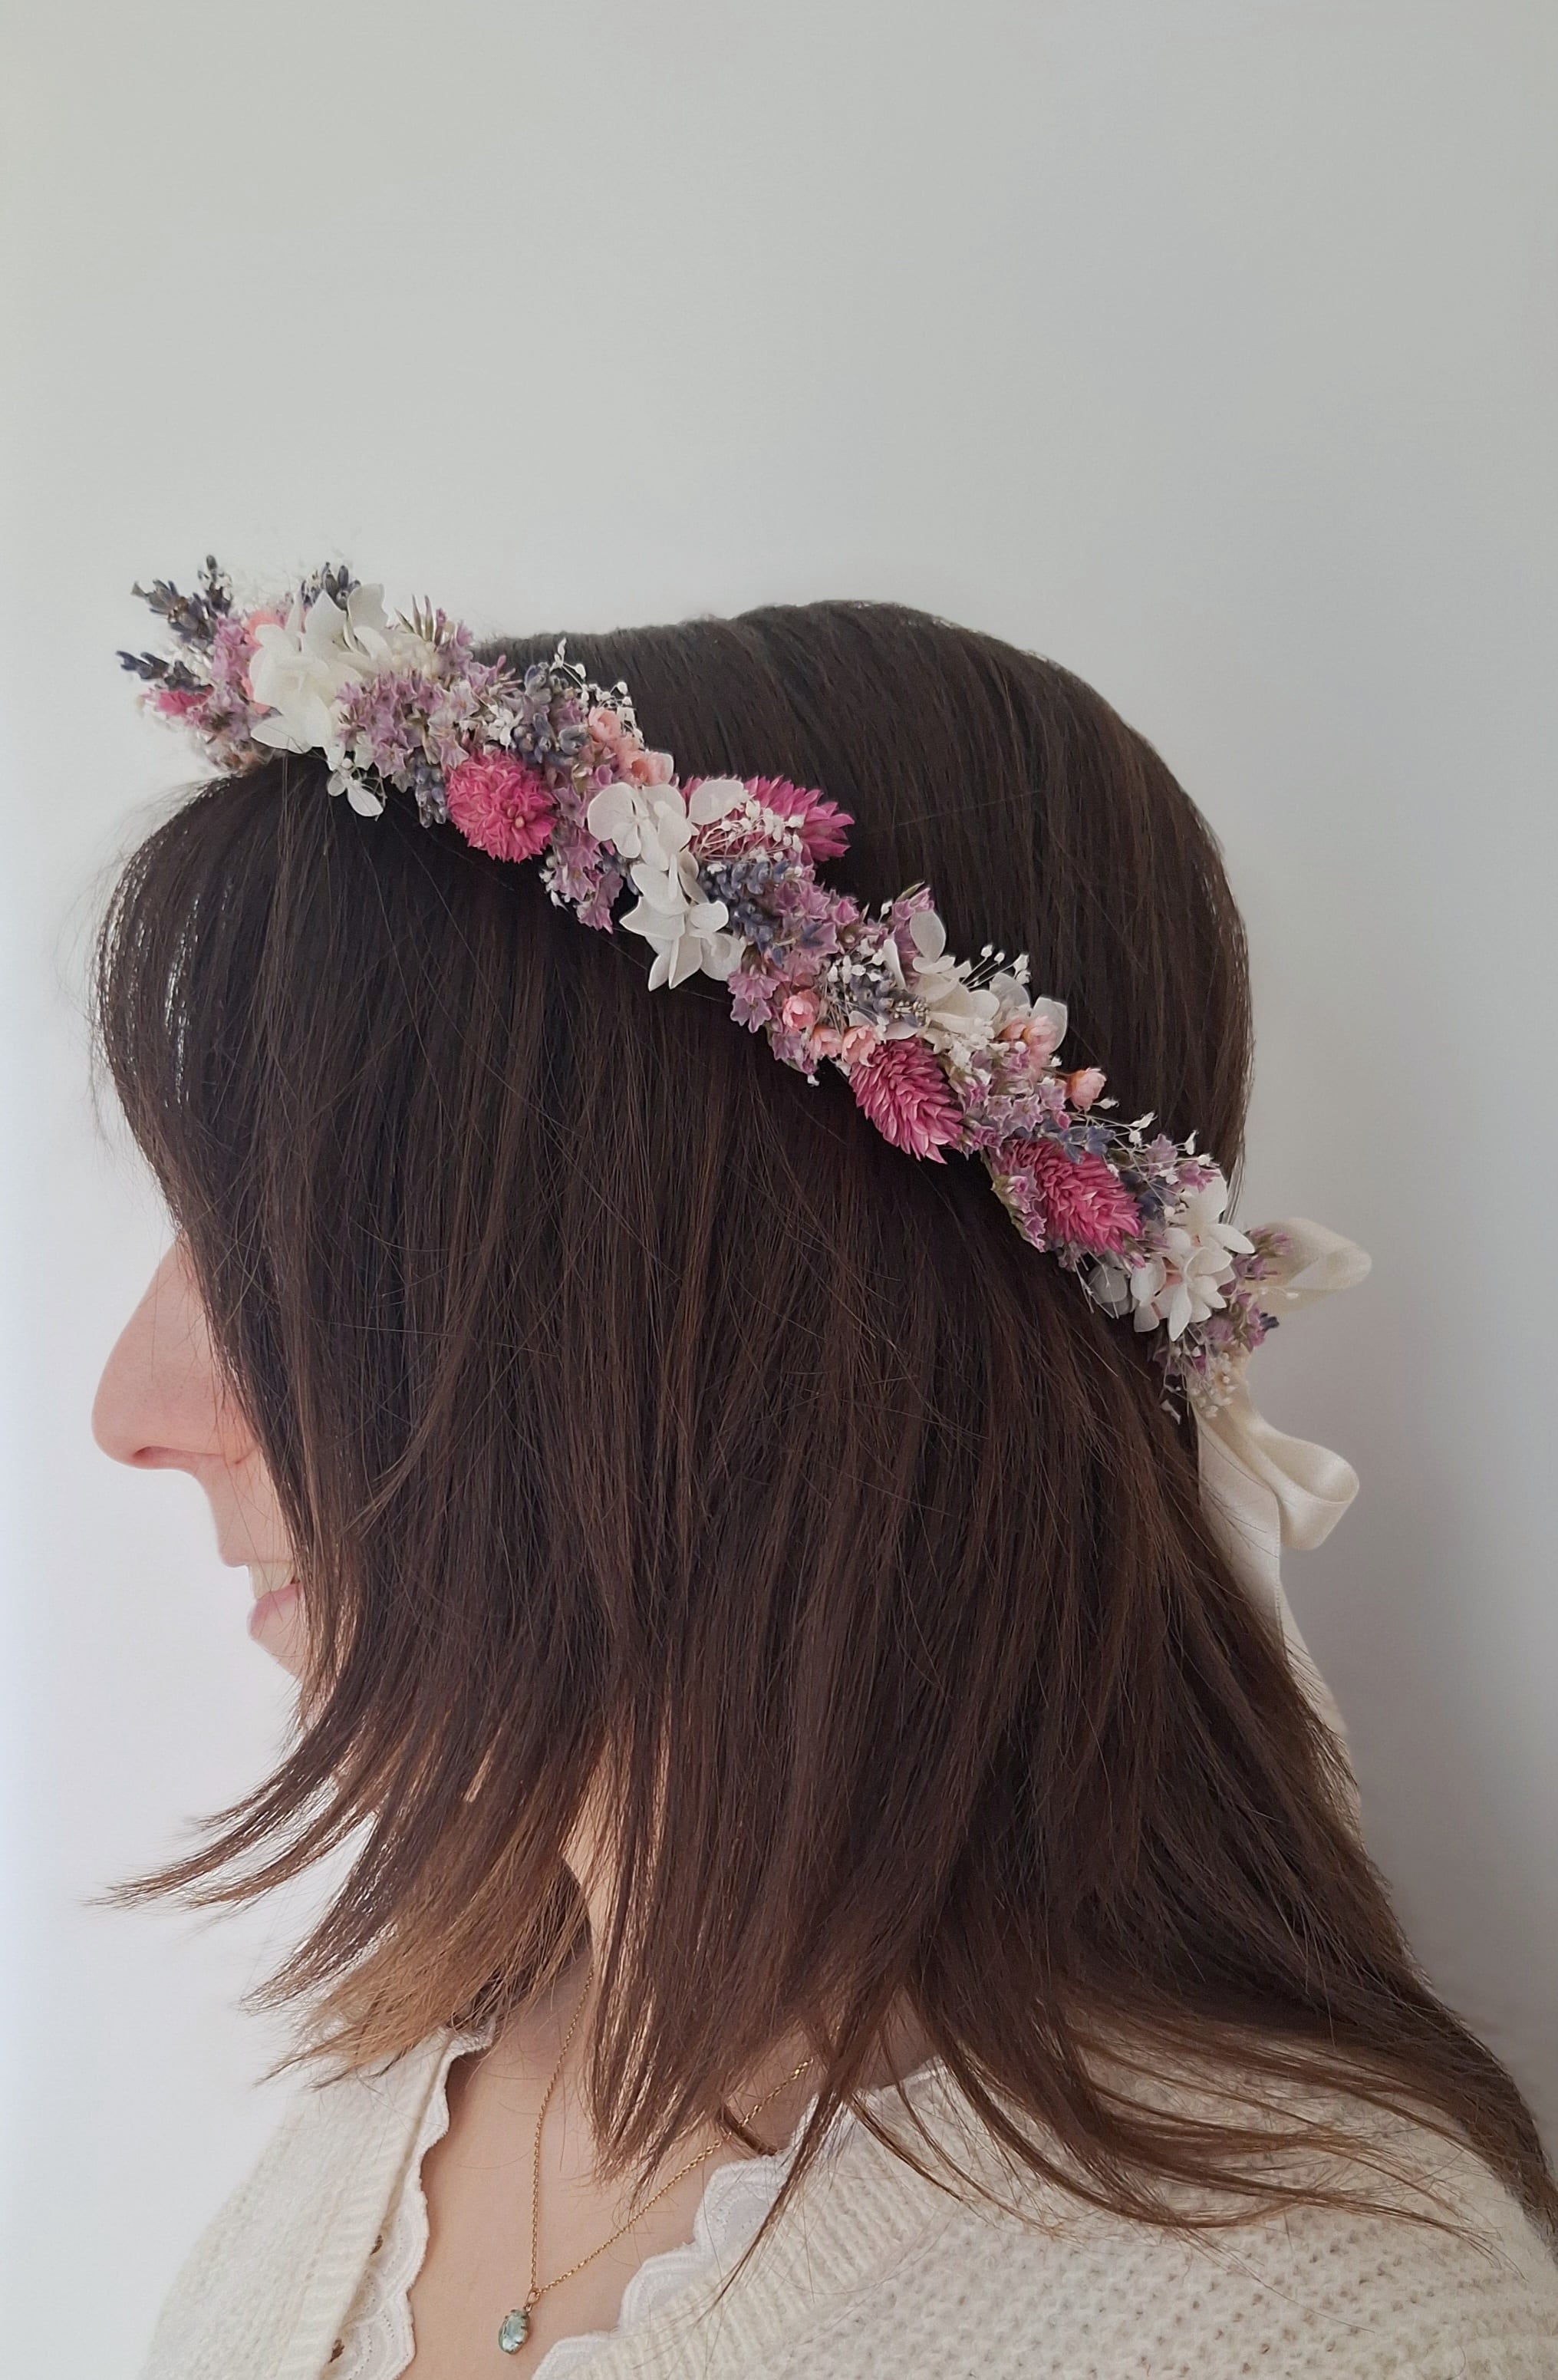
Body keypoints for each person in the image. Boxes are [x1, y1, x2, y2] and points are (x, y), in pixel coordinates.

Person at [94, 566, 1557, 2380]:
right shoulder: (395, 2103)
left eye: (288, 1245)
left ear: (736, 1313)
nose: (135, 1404)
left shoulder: (1317, 2324)